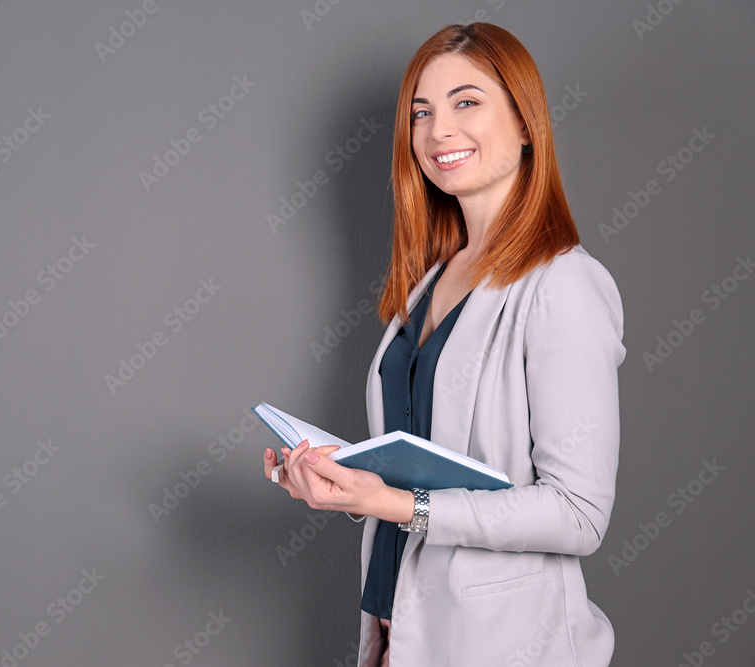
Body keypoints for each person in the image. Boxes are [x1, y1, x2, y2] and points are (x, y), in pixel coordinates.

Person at [263, 22, 625, 667]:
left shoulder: (564, 284)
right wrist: (343, 480)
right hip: (399, 633)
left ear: (525, 123)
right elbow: (427, 466)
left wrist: (394, 502)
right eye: (421, 113)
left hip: (504, 646)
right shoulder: (433, 278)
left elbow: (578, 514)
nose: (438, 132)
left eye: (466, 102)